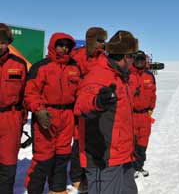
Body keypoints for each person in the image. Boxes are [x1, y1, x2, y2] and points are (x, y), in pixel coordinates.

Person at [74, 30, 139, 194]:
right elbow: (81, 105)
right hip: (103, 158)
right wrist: (97, 102)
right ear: (126, 56)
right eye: (133, 55)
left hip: (123, 155)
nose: (134, 61)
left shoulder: (120, 76)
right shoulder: (99, 75)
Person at [24, 33, 81, 194]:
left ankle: (58, 189)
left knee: (63, 156)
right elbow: (30, 93)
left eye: (67, 46)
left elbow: (81, 91)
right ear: (53, 45)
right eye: (60, 45)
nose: (64, 48)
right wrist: (39, 110)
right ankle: (34, 190)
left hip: (67, 115)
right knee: (43, 158)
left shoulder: (74, 67)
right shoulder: (41, 66)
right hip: (46, 115)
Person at [70, 27, 108, 193]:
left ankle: (89, 174)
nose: (102, 44)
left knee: (93, 140)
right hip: (80, 105)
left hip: (97, 106)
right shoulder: (77, 57)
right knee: (79, 141)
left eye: (103, 41)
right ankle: (77, 176)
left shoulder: (104, 59)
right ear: (91, 40)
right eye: (99, 40)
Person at [0, 23, 27, 194]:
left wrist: (21, 119)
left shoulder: (19, 64)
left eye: (2, 41)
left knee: (8, 165)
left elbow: (25, 94)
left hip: (10, 118)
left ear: (8, 42)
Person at [129, 50, 157, 178]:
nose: (140, 62)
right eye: (137, 60)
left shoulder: (150, 76)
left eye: (142, 60)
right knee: (131, 142)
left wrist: (151, 108)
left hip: (145, 115)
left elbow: (153, 94)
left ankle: (139, 166)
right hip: (131, 115)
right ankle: (131, 168)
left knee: (143, 142)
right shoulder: (127, 74)